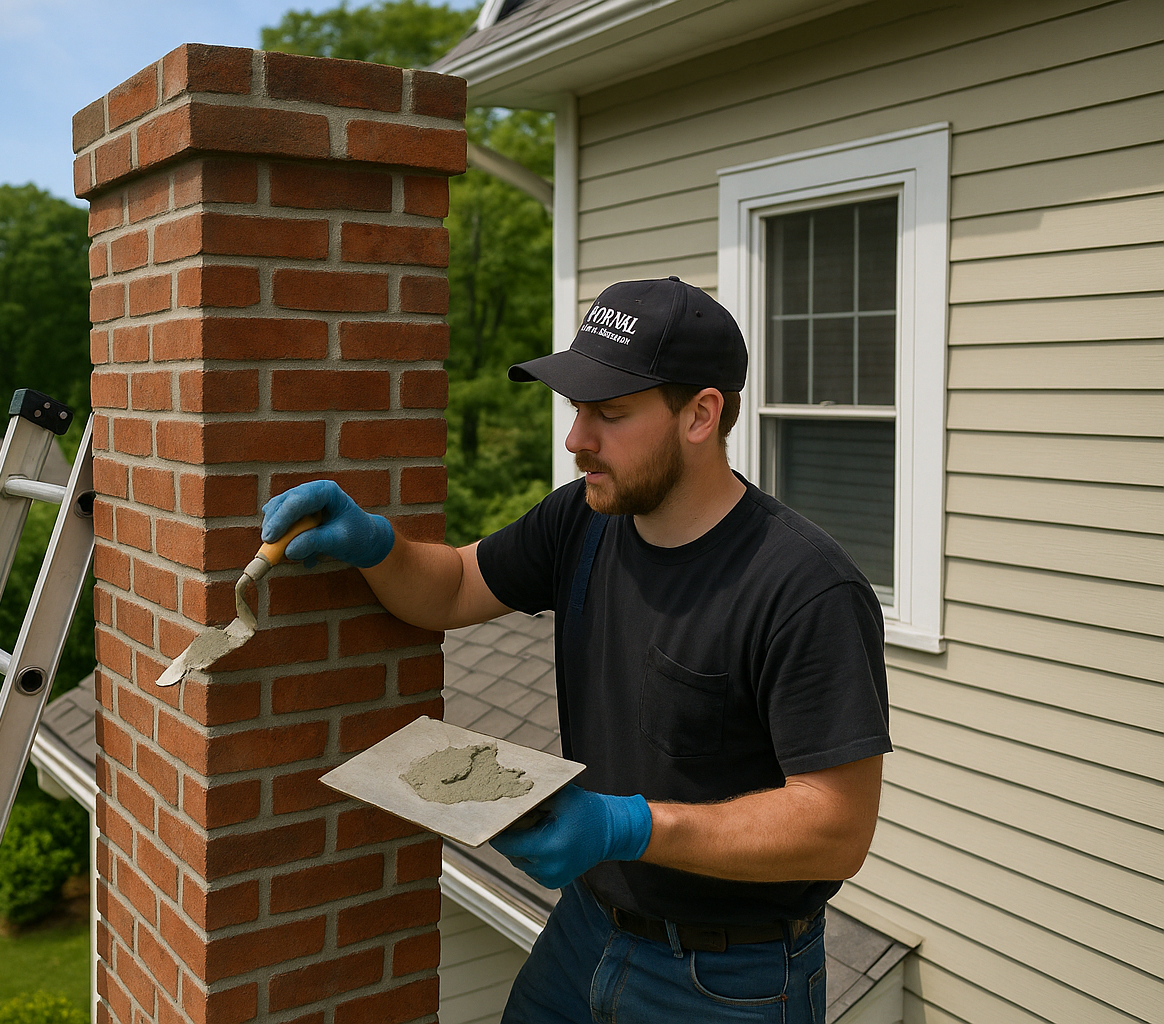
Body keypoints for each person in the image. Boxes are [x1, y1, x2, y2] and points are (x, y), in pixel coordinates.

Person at [261, 276, 891, 1023]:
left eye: (610, 414)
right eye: (577, 409)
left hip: (730, 980)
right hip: (587, 930)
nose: (576, 440)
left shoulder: (802, 587)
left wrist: (627, 827)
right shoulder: (585, 520)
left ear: (701, 414)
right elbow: (456, 584)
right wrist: (375, 546)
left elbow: (836, 829)